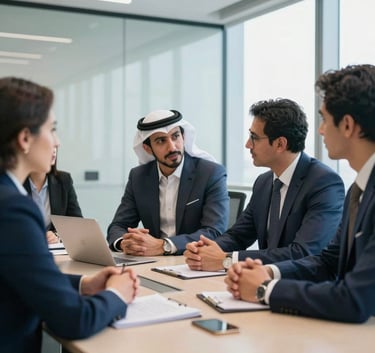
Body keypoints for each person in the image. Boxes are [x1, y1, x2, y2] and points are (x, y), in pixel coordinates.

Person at [225, 64, 375, 323]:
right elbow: (328, 261)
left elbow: (354, 299)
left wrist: (264, 289)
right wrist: (268, 273)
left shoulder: (336, 184)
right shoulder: (358, 188)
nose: (320, 130)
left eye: (325, 120)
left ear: (348, 125)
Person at [0, 77, 139, 353]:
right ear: (25, 138)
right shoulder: (13, 209)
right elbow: (73, 320)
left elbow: (18, 274)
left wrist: (84, 284)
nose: (57, 142)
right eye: (52, 129)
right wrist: (117, 294)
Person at [184, 98, 345, 271]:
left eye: (254, 137)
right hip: (263, 283)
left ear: (280, 144)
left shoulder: (324, 183)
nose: (247, 144)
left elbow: (303, 253)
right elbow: (238, 236)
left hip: (302, 288)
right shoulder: (264, 182)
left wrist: (227, 259)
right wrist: (205, 249)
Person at [107, 109, 229, 256]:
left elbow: (213, 231)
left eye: (175, 136)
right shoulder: (139, 177)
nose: (172, 147)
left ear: (183, 137)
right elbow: (119, 225)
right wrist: (125, 243)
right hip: (152, 260)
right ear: (147, 148)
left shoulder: (210, 173)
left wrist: (164, 245)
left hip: (192, 260)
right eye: (161, 141)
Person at [23, 148, 83, 244]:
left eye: (55, 146)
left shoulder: (64, 180)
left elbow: (77, 224)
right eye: (50, 143)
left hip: (54, 250)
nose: (54, 149)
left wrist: (57, 235)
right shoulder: (14, 183)